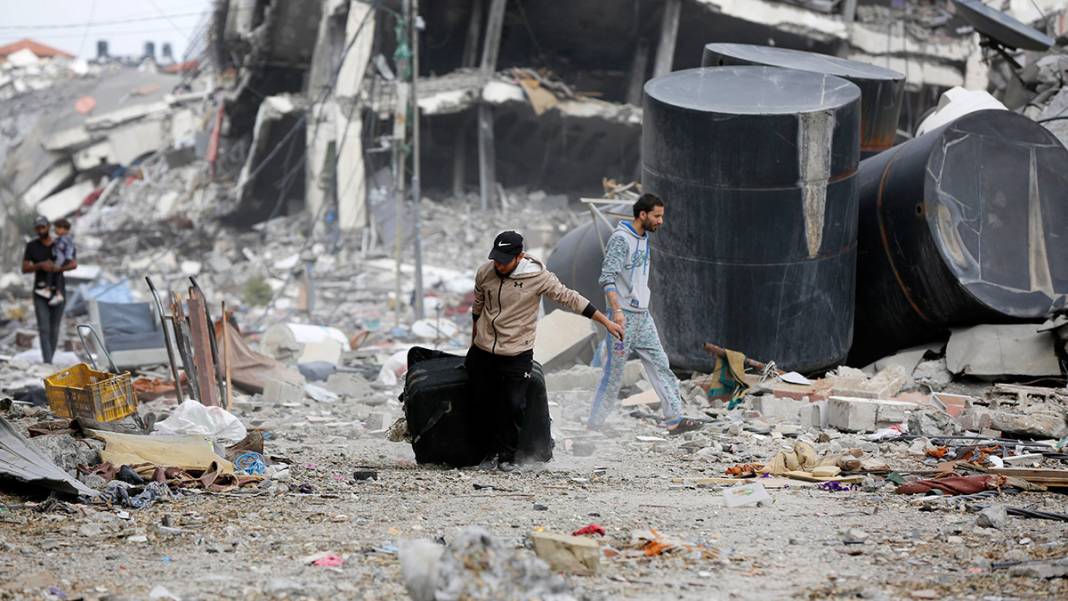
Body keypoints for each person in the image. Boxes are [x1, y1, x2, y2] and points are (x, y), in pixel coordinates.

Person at [468, 230, 624, 472]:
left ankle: (507, 456)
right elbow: (477, 305)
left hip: (516, 352)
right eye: (495, 258)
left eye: (504, 260)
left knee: (512, 405)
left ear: (519, 257)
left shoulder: (537, 277)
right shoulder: (485, 272)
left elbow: (571, 298)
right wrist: (474, 340)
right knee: (482, 400)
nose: (498, 264)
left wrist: (606, 322)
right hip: (484, 349)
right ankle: (487, 452)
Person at [588, 193, 703, 435]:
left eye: (662, 216)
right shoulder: (621, 240)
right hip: (623, 318)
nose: (661, 221)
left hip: (643, 316)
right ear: (643, 215)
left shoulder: (644, 238)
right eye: (657, 216)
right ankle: (595, 424)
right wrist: (616, 311)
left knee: (661, 364)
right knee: (614, 374)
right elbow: (607, 278)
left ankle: (674, 419)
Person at [22, 216, 77, 364]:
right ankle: (47, 361)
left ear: (48, 227)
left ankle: (50, 359)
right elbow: (25, 267)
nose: (41, 230)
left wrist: (57, 268)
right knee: (44, 327)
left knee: (54, 327)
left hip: (58, 290)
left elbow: (73, 263)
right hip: (40, 291)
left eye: (43, 227)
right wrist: (40, 265)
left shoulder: (61, 242)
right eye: (38, 228)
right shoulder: (32, 246)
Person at [40, 218, 76, 306]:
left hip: (61, 260)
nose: (55, 230)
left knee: (52, 272)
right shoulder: (59, 239)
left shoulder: (66, 239)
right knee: (56, 275)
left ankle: (48, 290)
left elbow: (69, 250)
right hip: (59, 260)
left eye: (57, 228)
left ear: (64, 229)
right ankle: (56, 293)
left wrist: (67, 260)